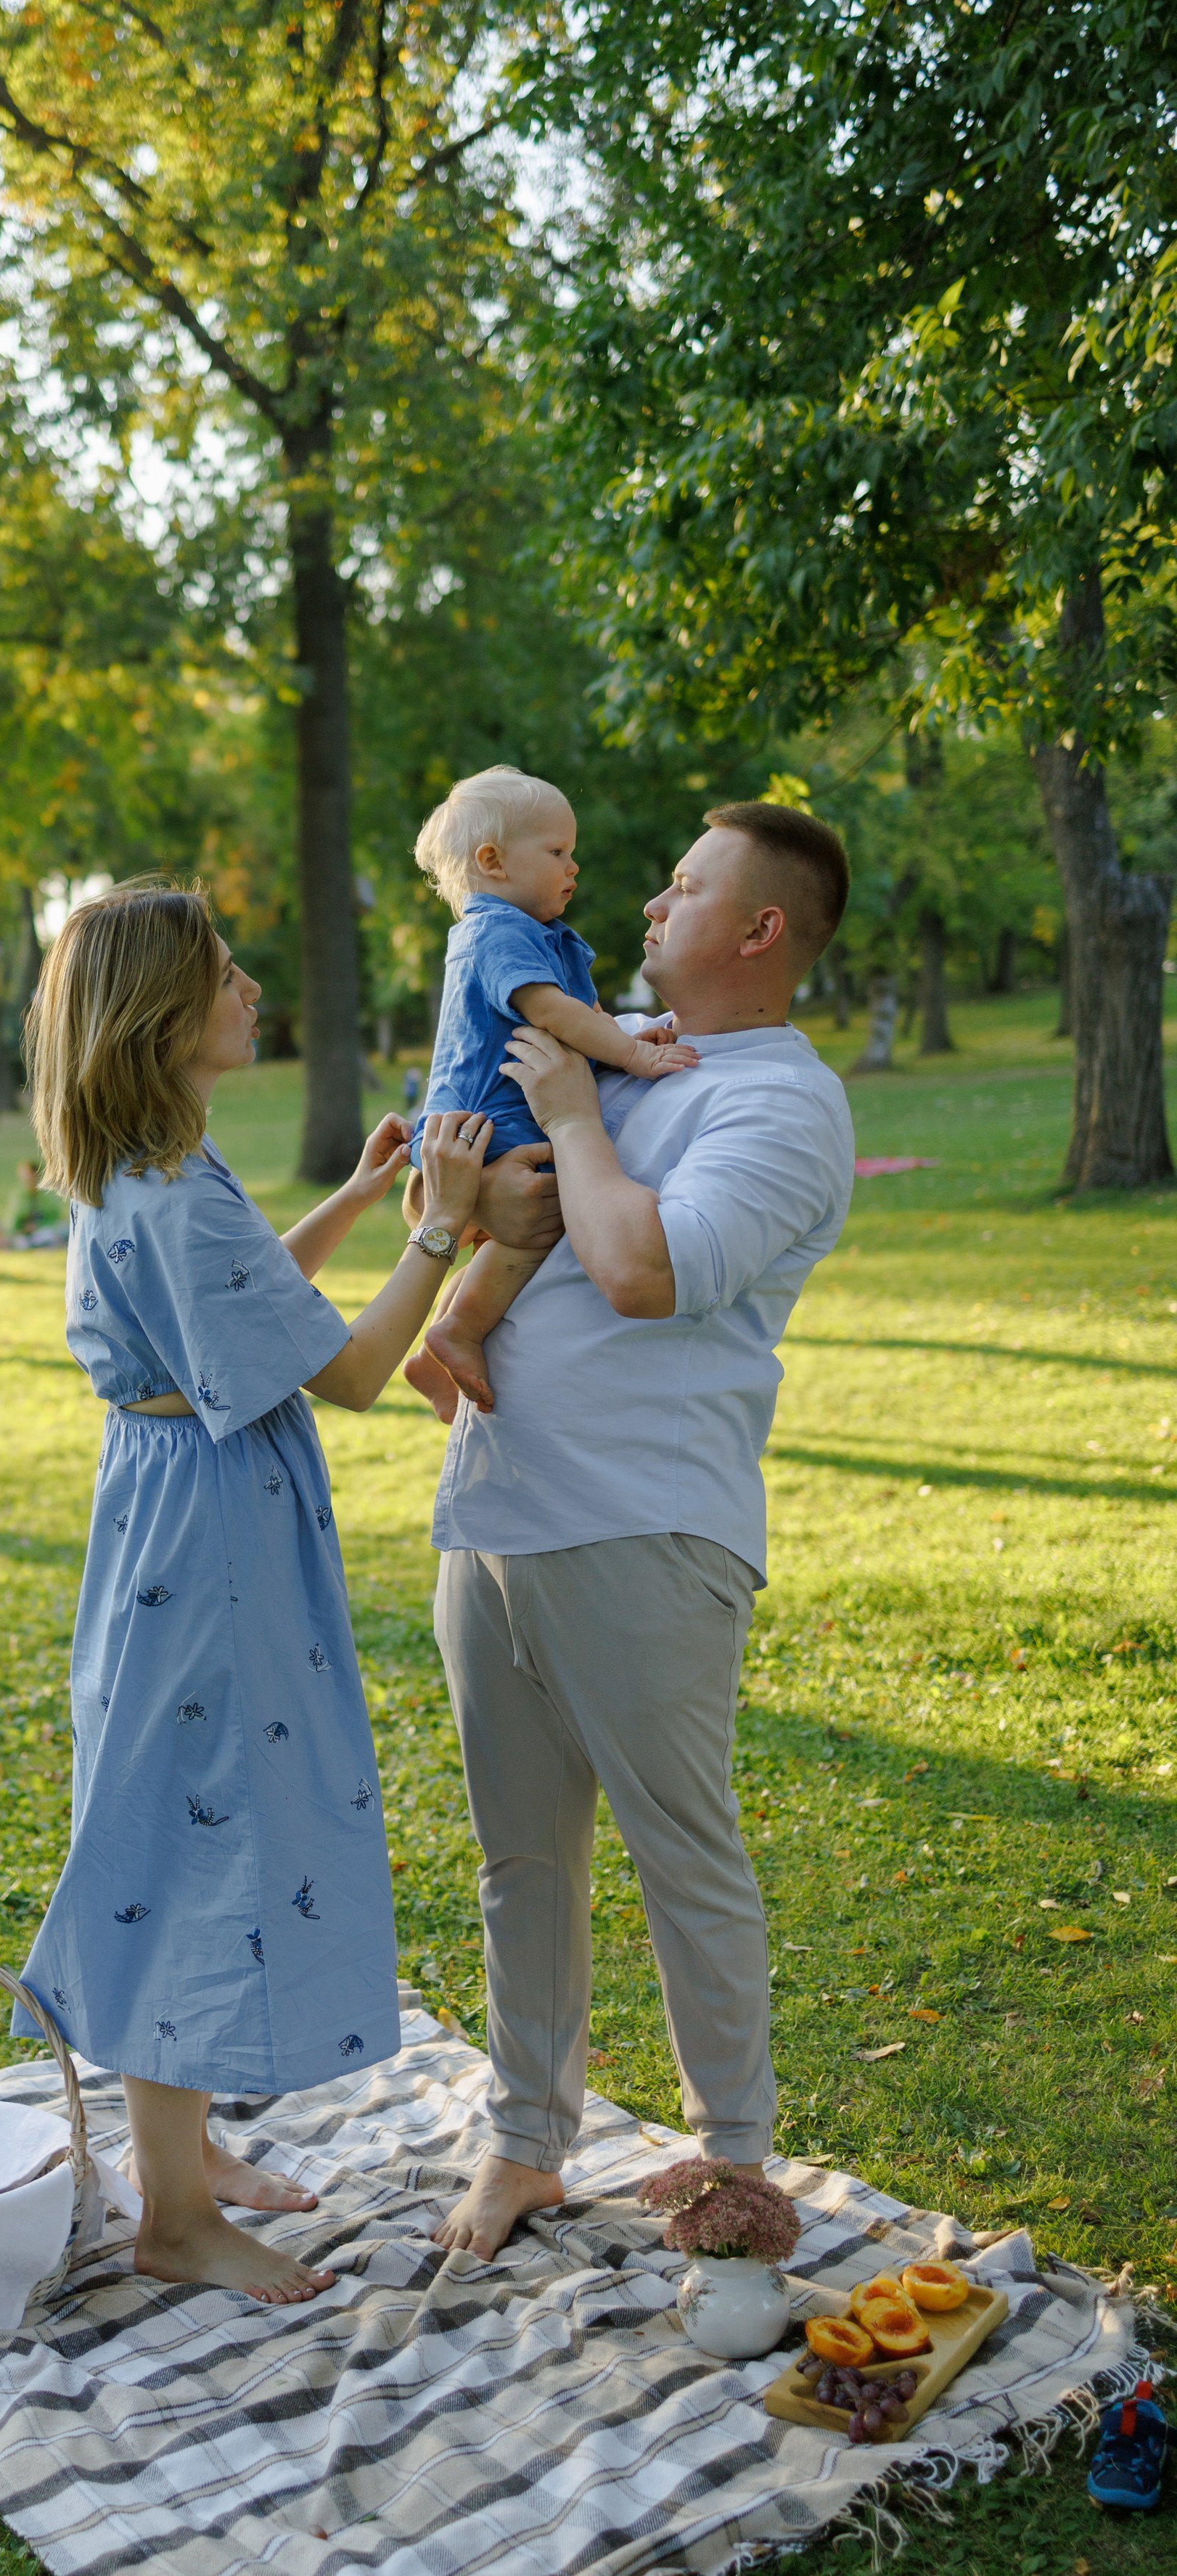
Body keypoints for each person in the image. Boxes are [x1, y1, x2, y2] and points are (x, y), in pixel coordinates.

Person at [15, 879, 491, 2303]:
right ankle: (173, 2215)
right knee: (192, 1847)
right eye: (221, 974)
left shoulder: (146, 1172)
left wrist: (352, 1199)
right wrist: (437, 1230)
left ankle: (189, 2147)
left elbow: (244, 1327)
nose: (246, 987)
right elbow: (343, 1373)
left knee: (176, 1815)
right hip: (210, 1553)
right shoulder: (170, 1191)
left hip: (168, 1527)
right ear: (161, 1019)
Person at [415, 801, 857, 2263]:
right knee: (516, 1860)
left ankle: (730, 2162)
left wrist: (569, 1120)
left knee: (682, 1853)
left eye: (684, 889)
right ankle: (524, 2143)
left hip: (643, 1528)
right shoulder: (606, 1043)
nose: (647, 907)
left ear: (758, 930)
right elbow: (472, 1196)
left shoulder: (777, 1105)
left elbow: (639, 1270)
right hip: (490, 1513)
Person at [404, 767, 698, 1422]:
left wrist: (629, 1031)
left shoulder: (530, 932)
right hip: (490, 1117)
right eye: (557, 852)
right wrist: (635, 1053)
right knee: (543, 1219)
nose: (574, 866)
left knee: (518, 1226)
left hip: (484, 1119)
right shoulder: (497, 931)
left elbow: (581, 1011)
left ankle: (446, 1335)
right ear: (493, 861)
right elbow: (551, 1012)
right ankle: (459, 1330)